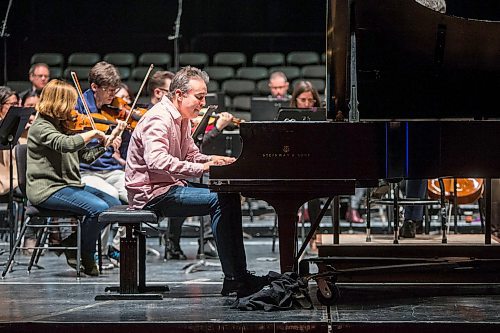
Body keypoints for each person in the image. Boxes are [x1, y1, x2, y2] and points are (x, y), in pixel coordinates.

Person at [125, 66, 269, 297]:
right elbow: (157, 162)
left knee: (229, 195)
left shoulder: (181, 118)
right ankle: (235, 278)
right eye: (199, 97)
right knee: (220, 201)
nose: (202, 104)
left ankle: (238, 275)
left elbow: (191, 153)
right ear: (179, 95)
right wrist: (203, 166)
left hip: (169, 186)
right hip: (152, 195)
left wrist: (213, 159)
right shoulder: (159, 119)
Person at [26, 79, 124, 276]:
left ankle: (74, 241)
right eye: (70, 102)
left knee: (114, 204)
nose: (74, 107)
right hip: (47, 189)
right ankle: (86, 254)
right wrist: (93, 133)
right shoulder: (41, 126)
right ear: (58, 102)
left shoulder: (64, 125)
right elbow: (65, 144)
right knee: (99, 209)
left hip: (68, 185)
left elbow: (84, 156)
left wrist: (106, 143)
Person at [401, 1, 446, 237]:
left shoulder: (441, 45)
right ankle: (410, 216)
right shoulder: (403, 41)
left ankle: (410, 218)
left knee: (417, 158)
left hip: (428, 113)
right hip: (403, 110)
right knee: (413, 157)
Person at [75, 61, 126, 268]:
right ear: (95, 87)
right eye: (109, 91)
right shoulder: (79, 106)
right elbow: (78, 149)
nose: (113, 97)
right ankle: (100, 252)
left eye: (115, 91)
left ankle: (118, 248)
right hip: (87, 171)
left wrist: (118, 138)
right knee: (110, 198)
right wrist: (100, 139)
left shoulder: (114, 108)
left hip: (112, 169)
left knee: (138, 194)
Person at [0, 87, 20, 200]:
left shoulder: (17, 124)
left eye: (17, 104)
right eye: (12, 104)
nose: (16, 108)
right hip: (5, 176)